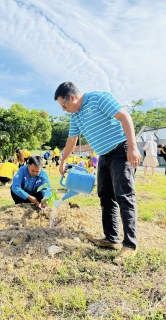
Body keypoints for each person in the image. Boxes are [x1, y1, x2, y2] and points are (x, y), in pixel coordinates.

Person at [54, 81, 141, 264]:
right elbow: (72, 140)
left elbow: (125, 117)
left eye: (64, 105)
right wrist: (63, 160)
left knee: (124, 196)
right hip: (103, 156)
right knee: (105, 195)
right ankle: (111, 239)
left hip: (120, 150)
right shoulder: (75, 116)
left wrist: (132, 147)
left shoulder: (98, 98)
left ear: (72, 97)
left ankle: (130, 245)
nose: (64, 109)